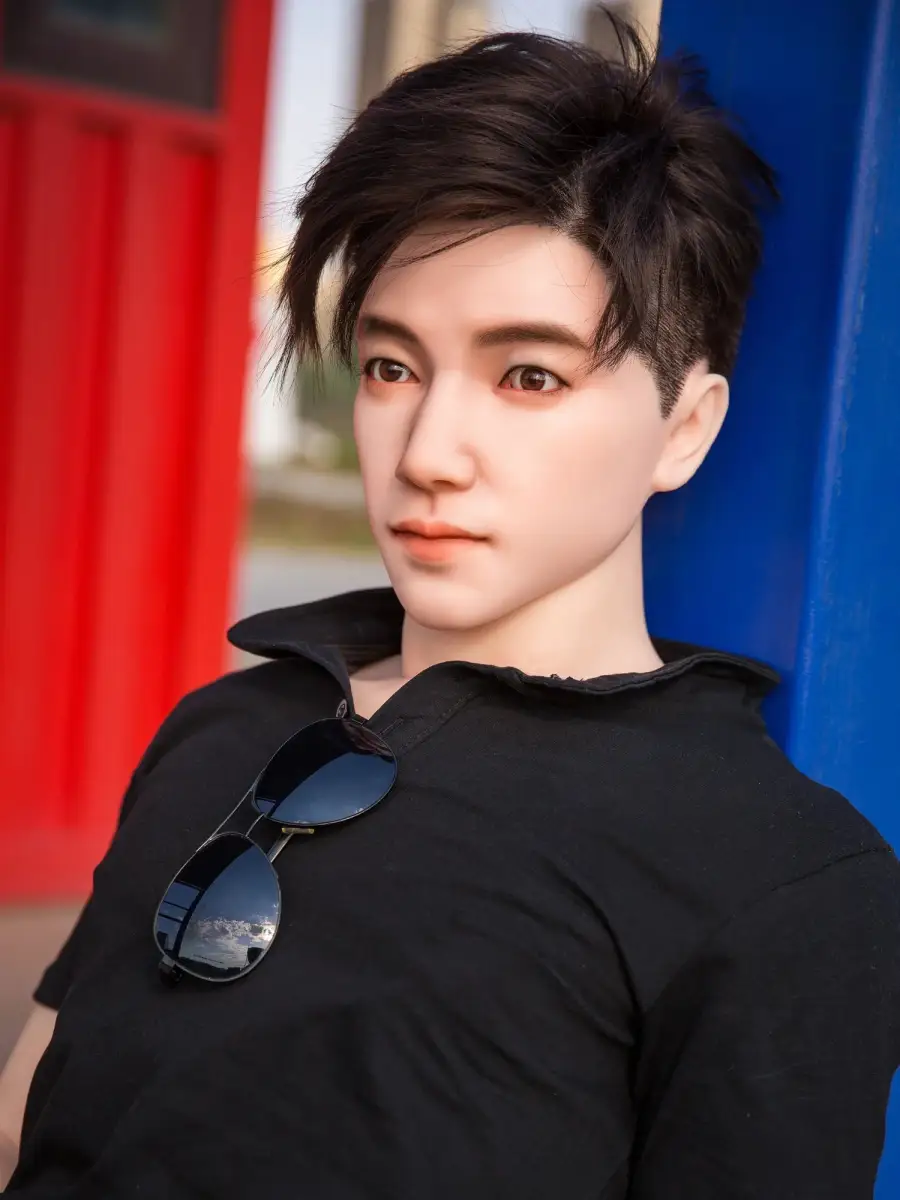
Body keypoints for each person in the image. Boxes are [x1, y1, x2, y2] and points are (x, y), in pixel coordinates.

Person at [2, 19, 899, 1199]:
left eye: (529, 375)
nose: (427, 453)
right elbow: (25, 1116)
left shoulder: (778, 874)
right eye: (392, 367)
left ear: (685, 428)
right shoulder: (225, 726)